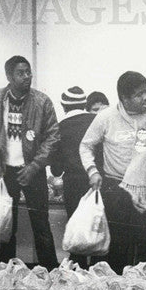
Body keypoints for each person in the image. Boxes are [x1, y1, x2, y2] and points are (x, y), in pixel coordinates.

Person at [79, 71, 146, 275]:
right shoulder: (106, 117)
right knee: (118, 242)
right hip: (117, 188)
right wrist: (92, 171)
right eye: (139, 94)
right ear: (124, 99)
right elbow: (85, 146)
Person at [0, 55, 61, 269]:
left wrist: (34, 166)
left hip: (33, 171)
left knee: (41, 224)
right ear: (9, 76)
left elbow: (53, 136)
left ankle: (50, 272)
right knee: (6, 225)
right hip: (5, 171)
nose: (27, 77)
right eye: (20, 73)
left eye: (28, 72)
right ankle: (6, 271)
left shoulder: (42, 101)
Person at [51, 86, 101, 269]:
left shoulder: (60, 127)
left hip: (72, 182)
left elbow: (56, 169)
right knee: (97, 225)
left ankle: (78, 270)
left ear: (64, 107)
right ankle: (98, 268)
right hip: (96, 180)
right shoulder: (97, 121)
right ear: (84, 104)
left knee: (76, 226)